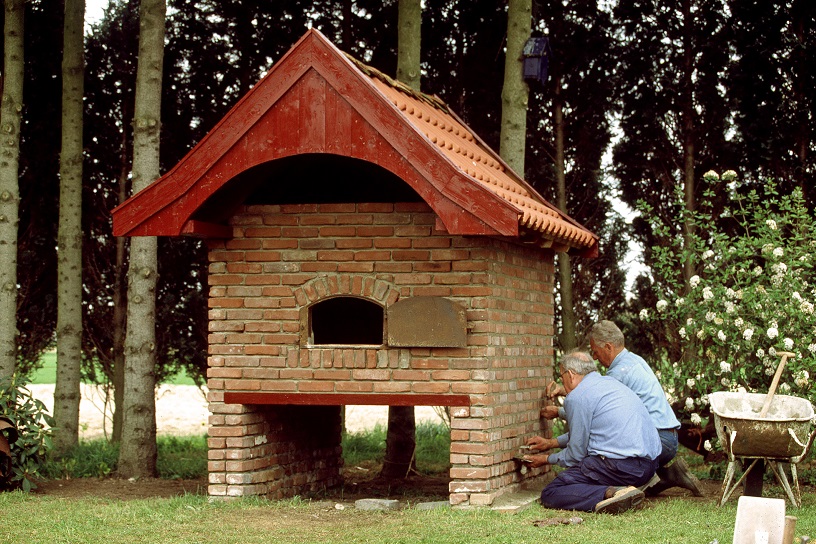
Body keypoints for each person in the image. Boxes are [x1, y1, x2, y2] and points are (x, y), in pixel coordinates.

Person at [524, 351, 661, 514]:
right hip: (650, 464)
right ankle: (627, 487)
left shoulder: (577, 397)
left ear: (570, 374)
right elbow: (591, 433)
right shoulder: (608, 383)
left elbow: (576, 454)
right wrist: (551, 443)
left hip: (624, 466)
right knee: (588, 466)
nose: (563, 381)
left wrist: (546, 459)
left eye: (562, 377)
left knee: (552, 492)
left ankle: (614, 493)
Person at [587, 320, 701, 496]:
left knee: (617, 479)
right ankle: (672, 475)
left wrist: (561, 411)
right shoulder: (633, 360)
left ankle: (659, 478)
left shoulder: (619, 373)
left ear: (608, 347)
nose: (595, 357)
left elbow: (595, 409)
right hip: (668, 437)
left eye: (595, 352)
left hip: (657, 439)